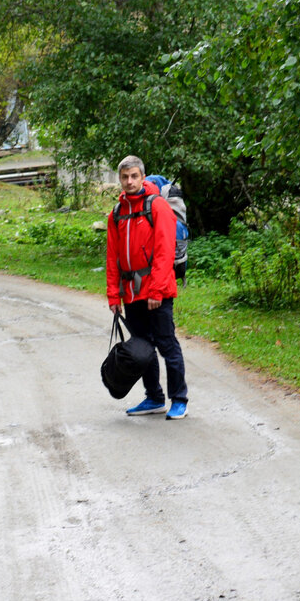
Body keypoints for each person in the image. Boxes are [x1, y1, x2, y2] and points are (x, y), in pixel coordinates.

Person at [106, 156, 188, 419]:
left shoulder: (158, 207)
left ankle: (179, 399)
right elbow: (112, 257)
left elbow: (165, 252)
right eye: (125, 177)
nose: (129, 182)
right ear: (120, 179)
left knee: (166, 344)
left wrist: (156, 291)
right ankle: (153, 397)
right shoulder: (117, 213)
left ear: (142, 177)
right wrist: (113, 294)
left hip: (157, 291)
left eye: (134, 176)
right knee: (142, 348)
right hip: (130, 292)